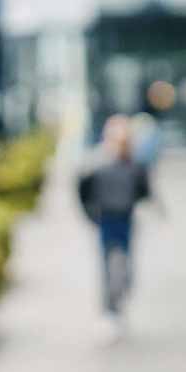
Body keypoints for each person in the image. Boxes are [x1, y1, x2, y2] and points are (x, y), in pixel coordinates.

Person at [78, 120, 152, 335]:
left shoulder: (135, 165)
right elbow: (83, 191)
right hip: (106, 219)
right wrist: (92, 216)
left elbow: (143, 190)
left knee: (125, 265)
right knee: (108, 265)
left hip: (126, 218)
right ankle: (110, 310)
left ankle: (119, 297)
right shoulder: (97, 163)